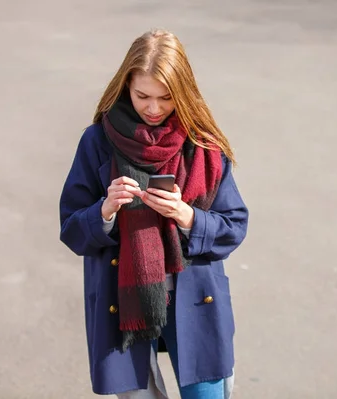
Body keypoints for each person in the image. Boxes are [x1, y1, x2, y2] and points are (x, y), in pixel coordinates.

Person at [59, 29, 249, 399]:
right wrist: (106, 210)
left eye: (166, 98)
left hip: (196, 298)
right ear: (125, 85)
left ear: (183, 91)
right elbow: (71, 227)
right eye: (142, 95)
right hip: (123, 305)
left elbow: (234, 226)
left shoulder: (203, 145)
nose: (153, 108)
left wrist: (186, 216)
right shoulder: (98, 141)